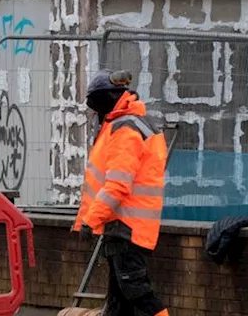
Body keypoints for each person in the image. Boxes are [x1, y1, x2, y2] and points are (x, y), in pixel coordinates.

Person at [72, 70, 169, 316]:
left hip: (127, 227)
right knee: (118, 302)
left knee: (138, 293)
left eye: (96, 103)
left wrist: (90, 220)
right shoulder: (128, 124)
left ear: (109, 99)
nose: (95, 112)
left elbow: (117, 185)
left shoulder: (125, 129)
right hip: (123, 227)